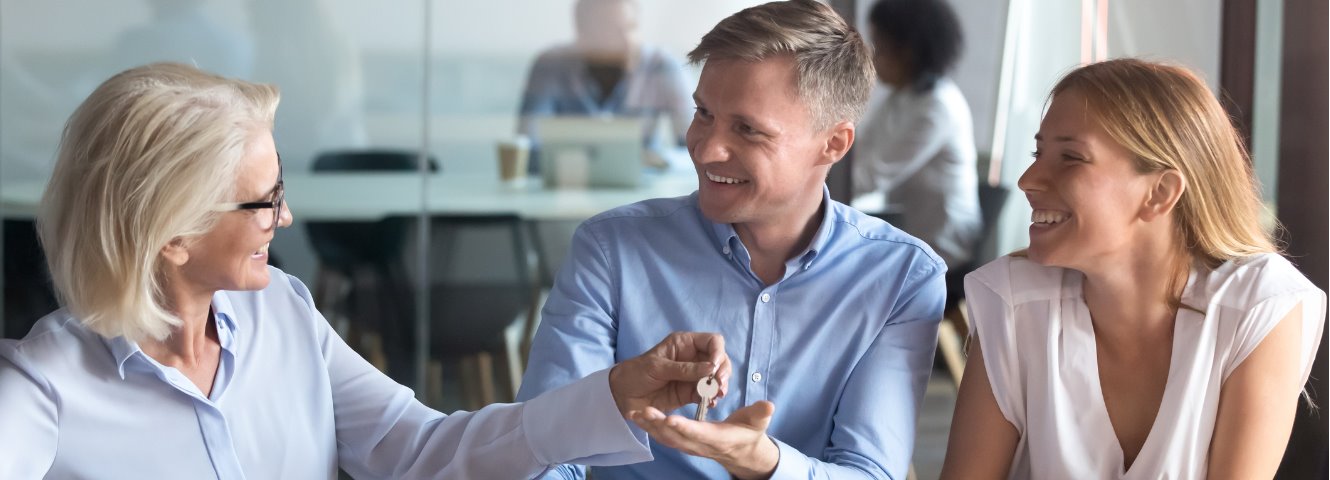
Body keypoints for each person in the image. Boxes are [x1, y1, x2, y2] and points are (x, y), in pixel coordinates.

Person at [0, 63, 733, 479]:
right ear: (172, 236)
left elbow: (422, 450)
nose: (285, 221)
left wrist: (613, 396)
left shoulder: (282, 311)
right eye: (265, 201)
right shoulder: (44, 386)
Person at [517, 1, 945, 478]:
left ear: (834, 144)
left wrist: (765, 464)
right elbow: (544, 452)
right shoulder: (611, 249)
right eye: (703, 113)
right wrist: (605, 400)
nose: (707, 148)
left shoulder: (901, 278)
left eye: (747, 129)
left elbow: (871, 473)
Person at [940, 59, 1326, 479]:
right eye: (1038, 153)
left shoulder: (1259, 307)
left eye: (1071, 157)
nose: (1028, 179)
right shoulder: (1012, 300)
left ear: (1160, 192)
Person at [851, 0, 981, 271]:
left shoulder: (938, 108)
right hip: (911, 231)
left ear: (907, 51)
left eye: (880, 47)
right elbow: (858, 159)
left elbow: (872, 176)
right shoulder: (900, 98)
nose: (873, 58)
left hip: (943, 248)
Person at [516, 0, 692, 169]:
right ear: (583, 33)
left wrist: (657, 161)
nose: (627, 41)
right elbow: (526, 148)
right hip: (569, 189)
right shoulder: (550, 65)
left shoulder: (663, 67)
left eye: (631, 27)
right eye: (611, 31)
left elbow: (695, 150)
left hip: (644, 187)